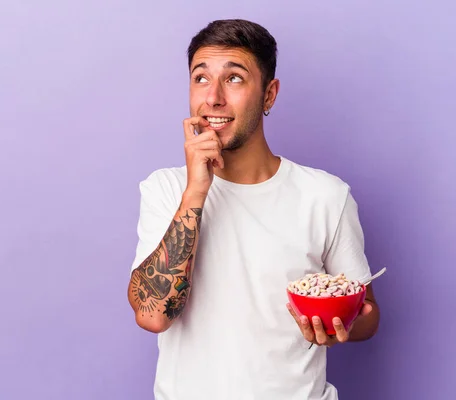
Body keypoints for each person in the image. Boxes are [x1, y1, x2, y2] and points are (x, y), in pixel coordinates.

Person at [127, 19, 380, 400]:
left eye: (234, 79)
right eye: (200, 78)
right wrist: (196, 190)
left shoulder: (325, 195)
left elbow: (368, 315)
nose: (212, 97)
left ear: (269, 94)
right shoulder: (166, 189)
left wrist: (338, 323)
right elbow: (153, 314)